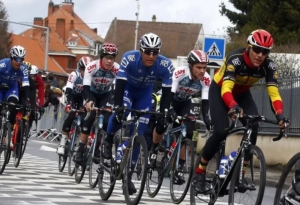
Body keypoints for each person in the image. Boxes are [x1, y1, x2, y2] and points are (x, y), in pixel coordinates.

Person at [193, 29, 288, 193]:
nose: (260, 55)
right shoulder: (235, 59)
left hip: (243, 93)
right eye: (257, 49)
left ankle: (240, 175)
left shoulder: (269, 66)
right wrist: (232, 106)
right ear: (248, 47)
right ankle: (200, 171)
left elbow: (274, 93)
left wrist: (280, 114)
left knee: (254, 126)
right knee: (222, 130)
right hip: (221, 90)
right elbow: (226, 89)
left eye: (265, 51)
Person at [101, 32, 174, 195]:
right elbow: (120, 84)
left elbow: (167, 92)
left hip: (144, 94)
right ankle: (108, 137)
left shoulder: (165, 65)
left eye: (155, 52)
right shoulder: (129, 58)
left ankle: (128, 176)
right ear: (140, 50)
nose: (151, 56)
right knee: (121, 114)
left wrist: (164, 113)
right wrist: (118, 106)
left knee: (139, 131)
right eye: (147, 51)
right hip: (127, 89)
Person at [149, 50, 211, 185]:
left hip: (185, 103)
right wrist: (169, 110)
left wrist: (207, 120)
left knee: (187, 133)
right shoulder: (179, 73)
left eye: (204, 67)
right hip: (169, 99)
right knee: (162, 124)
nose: (202, 71)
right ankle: (153, 149)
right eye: (198, 67)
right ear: (190, 66)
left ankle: (178, 169)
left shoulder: (206, 79)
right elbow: (169, 95)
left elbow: (205, 103)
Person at [73, 43, 119, 164]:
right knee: (91, 116)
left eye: (112, 58)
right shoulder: (92, 66)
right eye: (107, 58)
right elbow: (86, 87)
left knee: (106, 121)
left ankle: (98, 146)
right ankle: (81, 147)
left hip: (105, 94)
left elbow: (119, 88)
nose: (109, 61)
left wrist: (116, 104)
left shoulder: (117, 69)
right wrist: (88, 101)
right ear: (101, 57)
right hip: (91, 93)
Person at [56, 56, 93, 155]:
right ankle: (62, 143)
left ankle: (79, 142)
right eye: (84, 70)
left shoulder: (91, 77)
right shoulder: (74, 74)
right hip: (72, 95)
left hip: (82, 98)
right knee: (71, 115)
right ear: (80, 69)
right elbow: (68, 88)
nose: (86, 73)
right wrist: (68, 103)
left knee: (84, 118)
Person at [0, 45, 30, 134]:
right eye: (16, 59)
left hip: (12, 88)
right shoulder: (2, 64)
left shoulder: (23, 68)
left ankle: (9, 131)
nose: (19, 62)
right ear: (11, 57)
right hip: (0, 88)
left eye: (21, 59)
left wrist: (26, 100)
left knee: (13, 105)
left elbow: (25, 85)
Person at [20, 63, 45, 129]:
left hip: (33, 94)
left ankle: (29, 125)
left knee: (33, 110)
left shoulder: (39, 80)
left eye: (34, 76)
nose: (32, 77)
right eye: (31, 75)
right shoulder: (24, 77)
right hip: (25, 91)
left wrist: (41, 105)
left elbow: (41, 93)